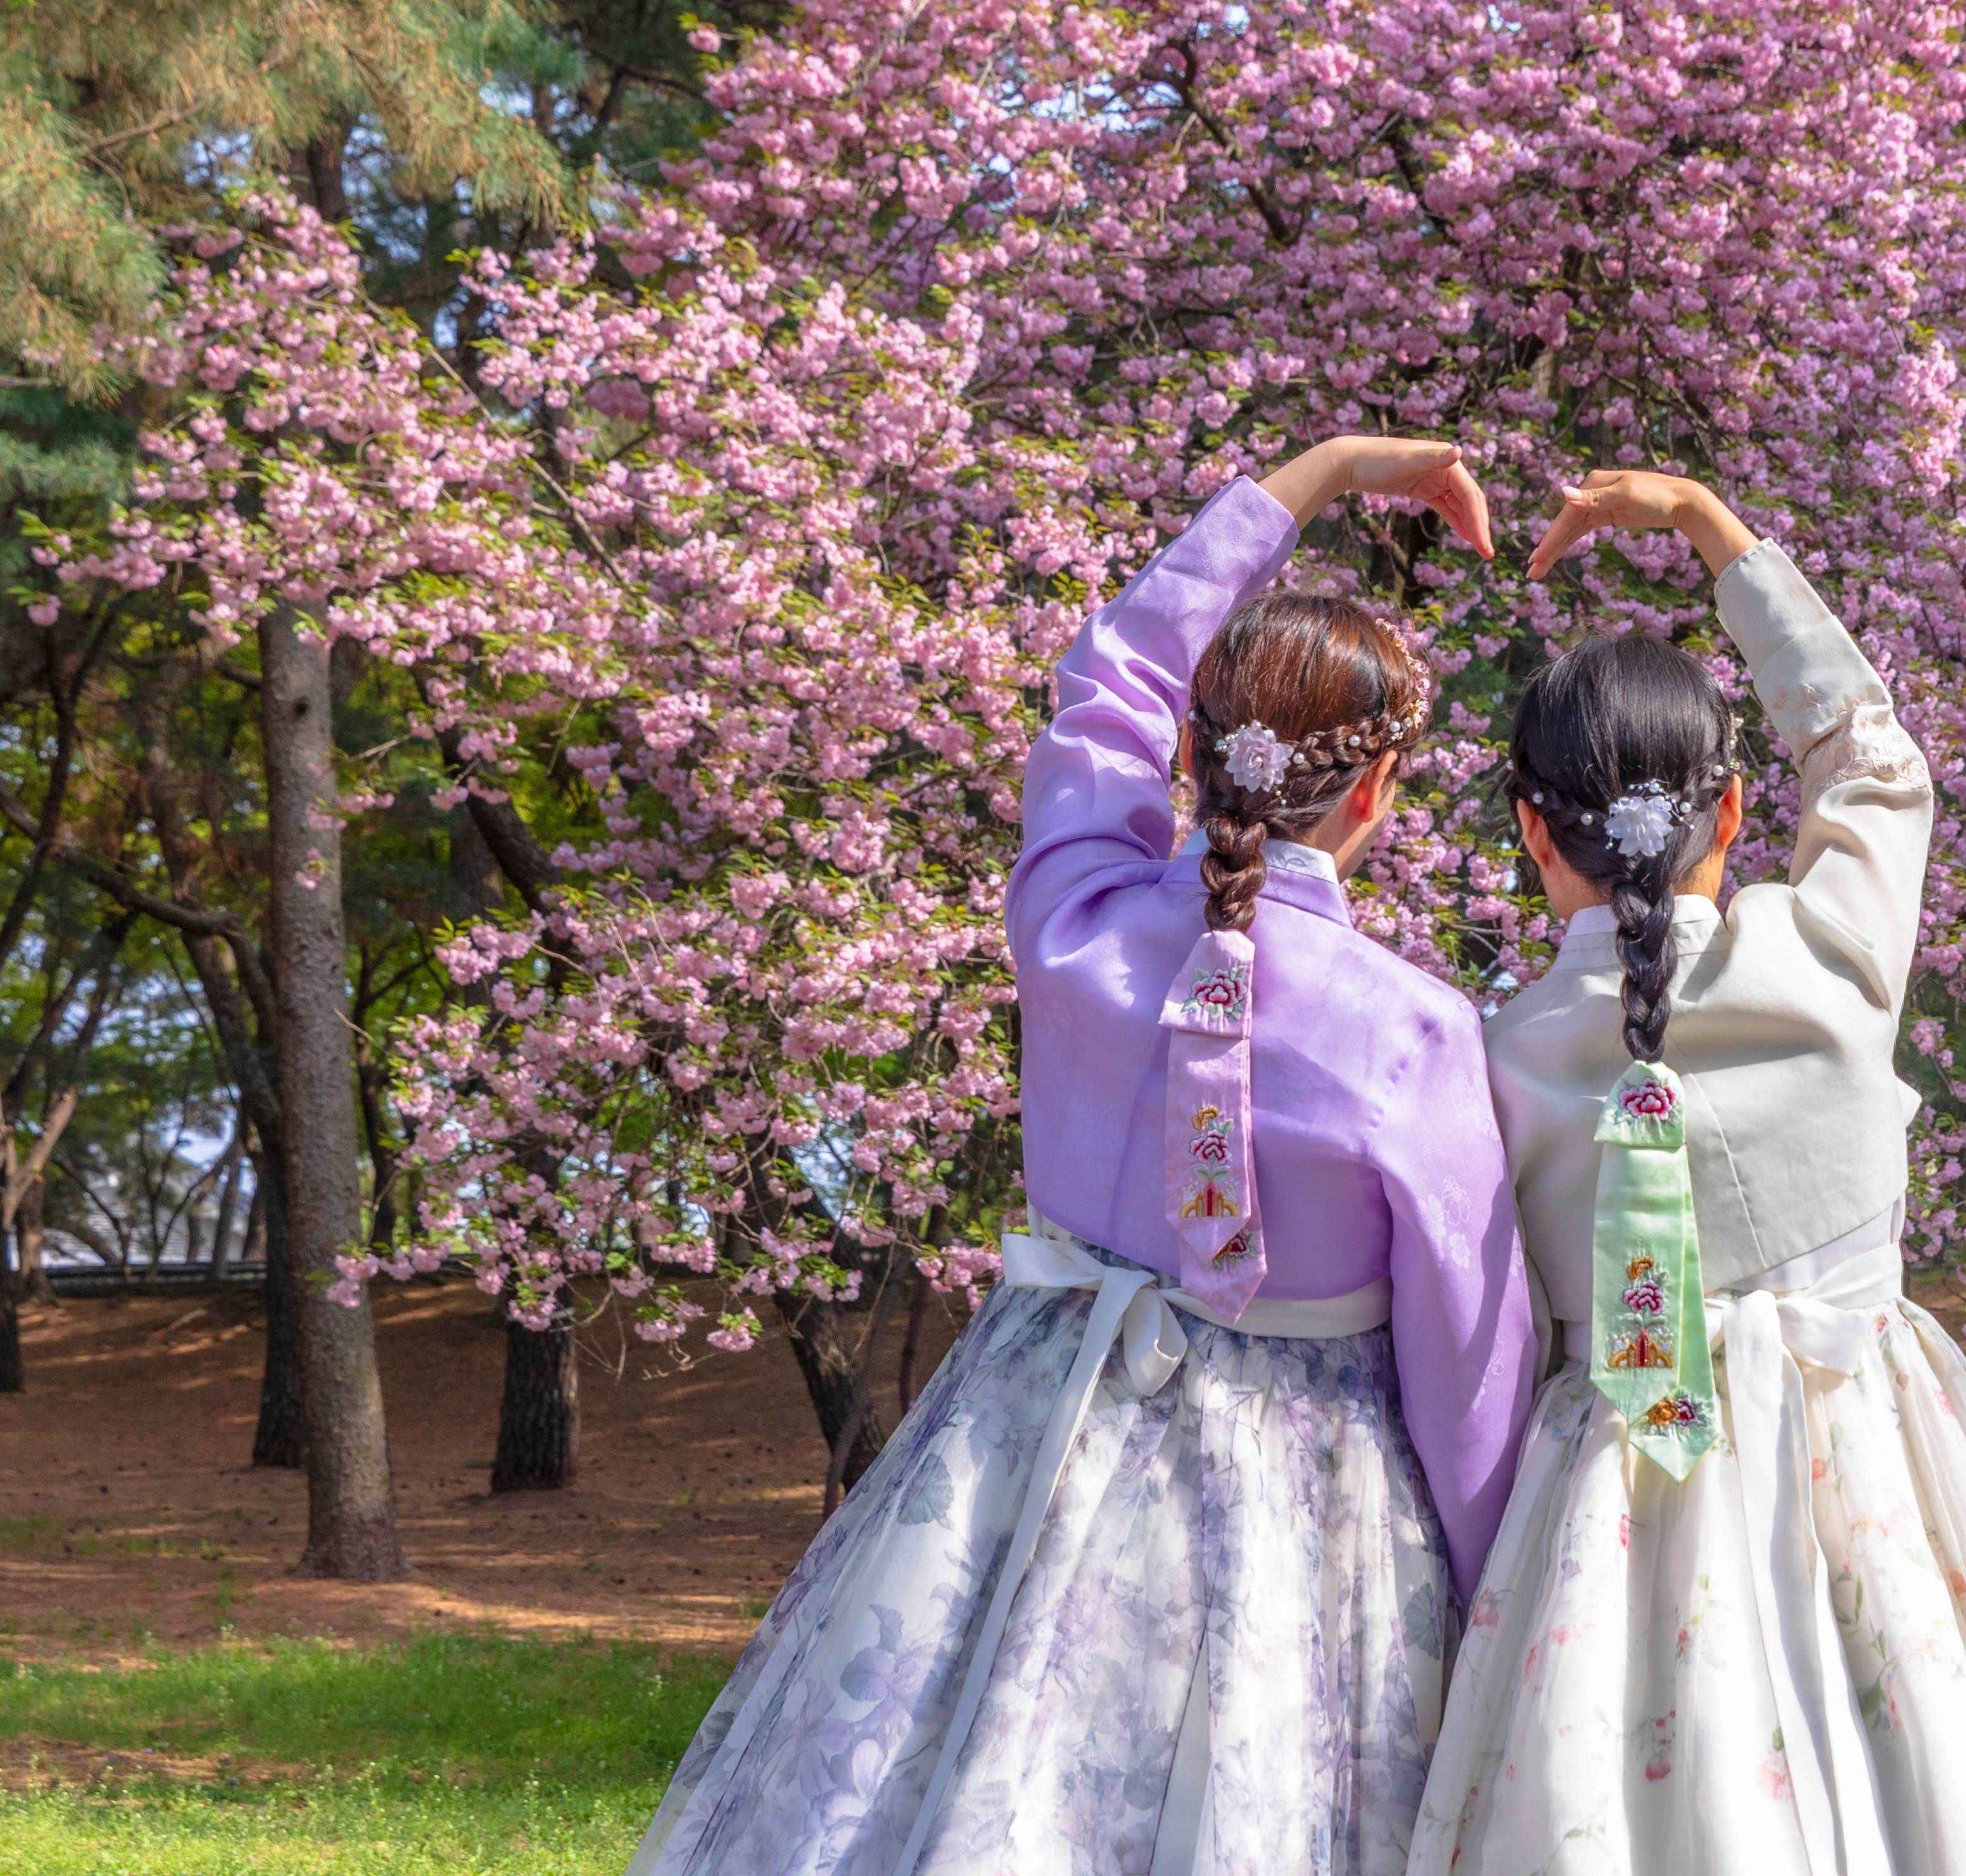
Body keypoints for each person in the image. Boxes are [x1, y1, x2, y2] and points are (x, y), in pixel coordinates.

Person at [633, 437, 1541, 1876]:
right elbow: (1469, 1366)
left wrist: (1312, 476)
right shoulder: (1414, 1035)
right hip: (1296, 1507)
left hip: (1020, 1441)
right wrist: (1503, 1595)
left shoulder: (1075, 922)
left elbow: (1109, 679)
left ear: (1190, 757)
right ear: (1378, 791)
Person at [1410, 469, 1966, 1876]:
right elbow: (1870, 757)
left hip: (1617, 1494)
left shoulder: (1495, 1064)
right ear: (1731, 813)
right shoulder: (1834, 965)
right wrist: (1708, 525)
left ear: (1532, 833)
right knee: (1923, 1786)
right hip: (1869, 1459)